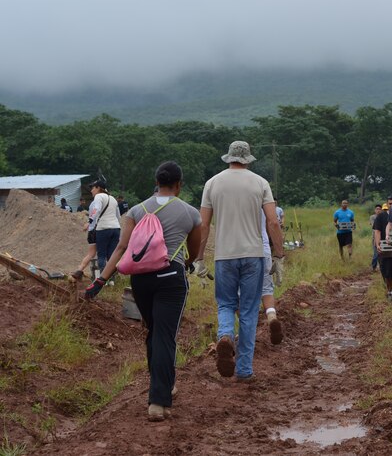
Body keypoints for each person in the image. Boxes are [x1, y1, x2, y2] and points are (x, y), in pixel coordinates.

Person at [84, 161, 202, 422]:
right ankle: (158, 402)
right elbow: (195, 251)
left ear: (156, 182)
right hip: (171, 277)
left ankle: (164, 384)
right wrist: (189, 262)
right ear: (179, 185)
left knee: (153, 331)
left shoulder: (136, 211)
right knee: (165, 335)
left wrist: (100, 281)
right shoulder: (191, 212)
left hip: (141, 281)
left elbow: (121, 249)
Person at [194, 141, 284, 381]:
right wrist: (278, 254)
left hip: (225, 256)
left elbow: (203, 224)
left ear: (229, 158)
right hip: (253, 255)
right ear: (248, 159)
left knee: (225, 303)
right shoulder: (260, 182)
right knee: (248, 310)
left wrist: (199, 258)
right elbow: (273, 222)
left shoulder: (212, 183)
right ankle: (244, 370)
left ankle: (225, 335)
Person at [259, 209, 285, 344]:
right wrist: (279, 255)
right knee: (266, 289)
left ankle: (249, 330)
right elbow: (273, 223)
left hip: (237, 252)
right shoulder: (262, 192)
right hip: (263, 250)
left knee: (241, 295)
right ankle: (271, 317)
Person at [89, 179, 121, 273]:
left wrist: (90, 220)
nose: (91, 190)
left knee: (101, 255)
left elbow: (96, 209)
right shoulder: (113, 198)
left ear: (98, 188)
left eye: (93, 188)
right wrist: (115, 225)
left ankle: (103, 279)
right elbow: (118, 216)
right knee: (112, 255)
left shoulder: (98, 196)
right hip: (116, 229)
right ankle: (112, 279)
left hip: (103, 228)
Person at [373, 197, 392, 301]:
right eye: (390, 203)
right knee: (387, 272)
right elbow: (377, 231)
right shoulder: (381, 216)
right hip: (385, 248)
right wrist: (377, 244)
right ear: (387, 204)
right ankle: (389, 290)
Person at [369, 204, 381, 271]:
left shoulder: (383, 216)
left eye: (379, 209)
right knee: (375, 254)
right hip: (375, 238)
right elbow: (374, 226)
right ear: (375, 210)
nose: (378, 210)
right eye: (377, 209)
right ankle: (373, 267)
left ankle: (380, 267)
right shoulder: (372, 217)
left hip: (382, 237)